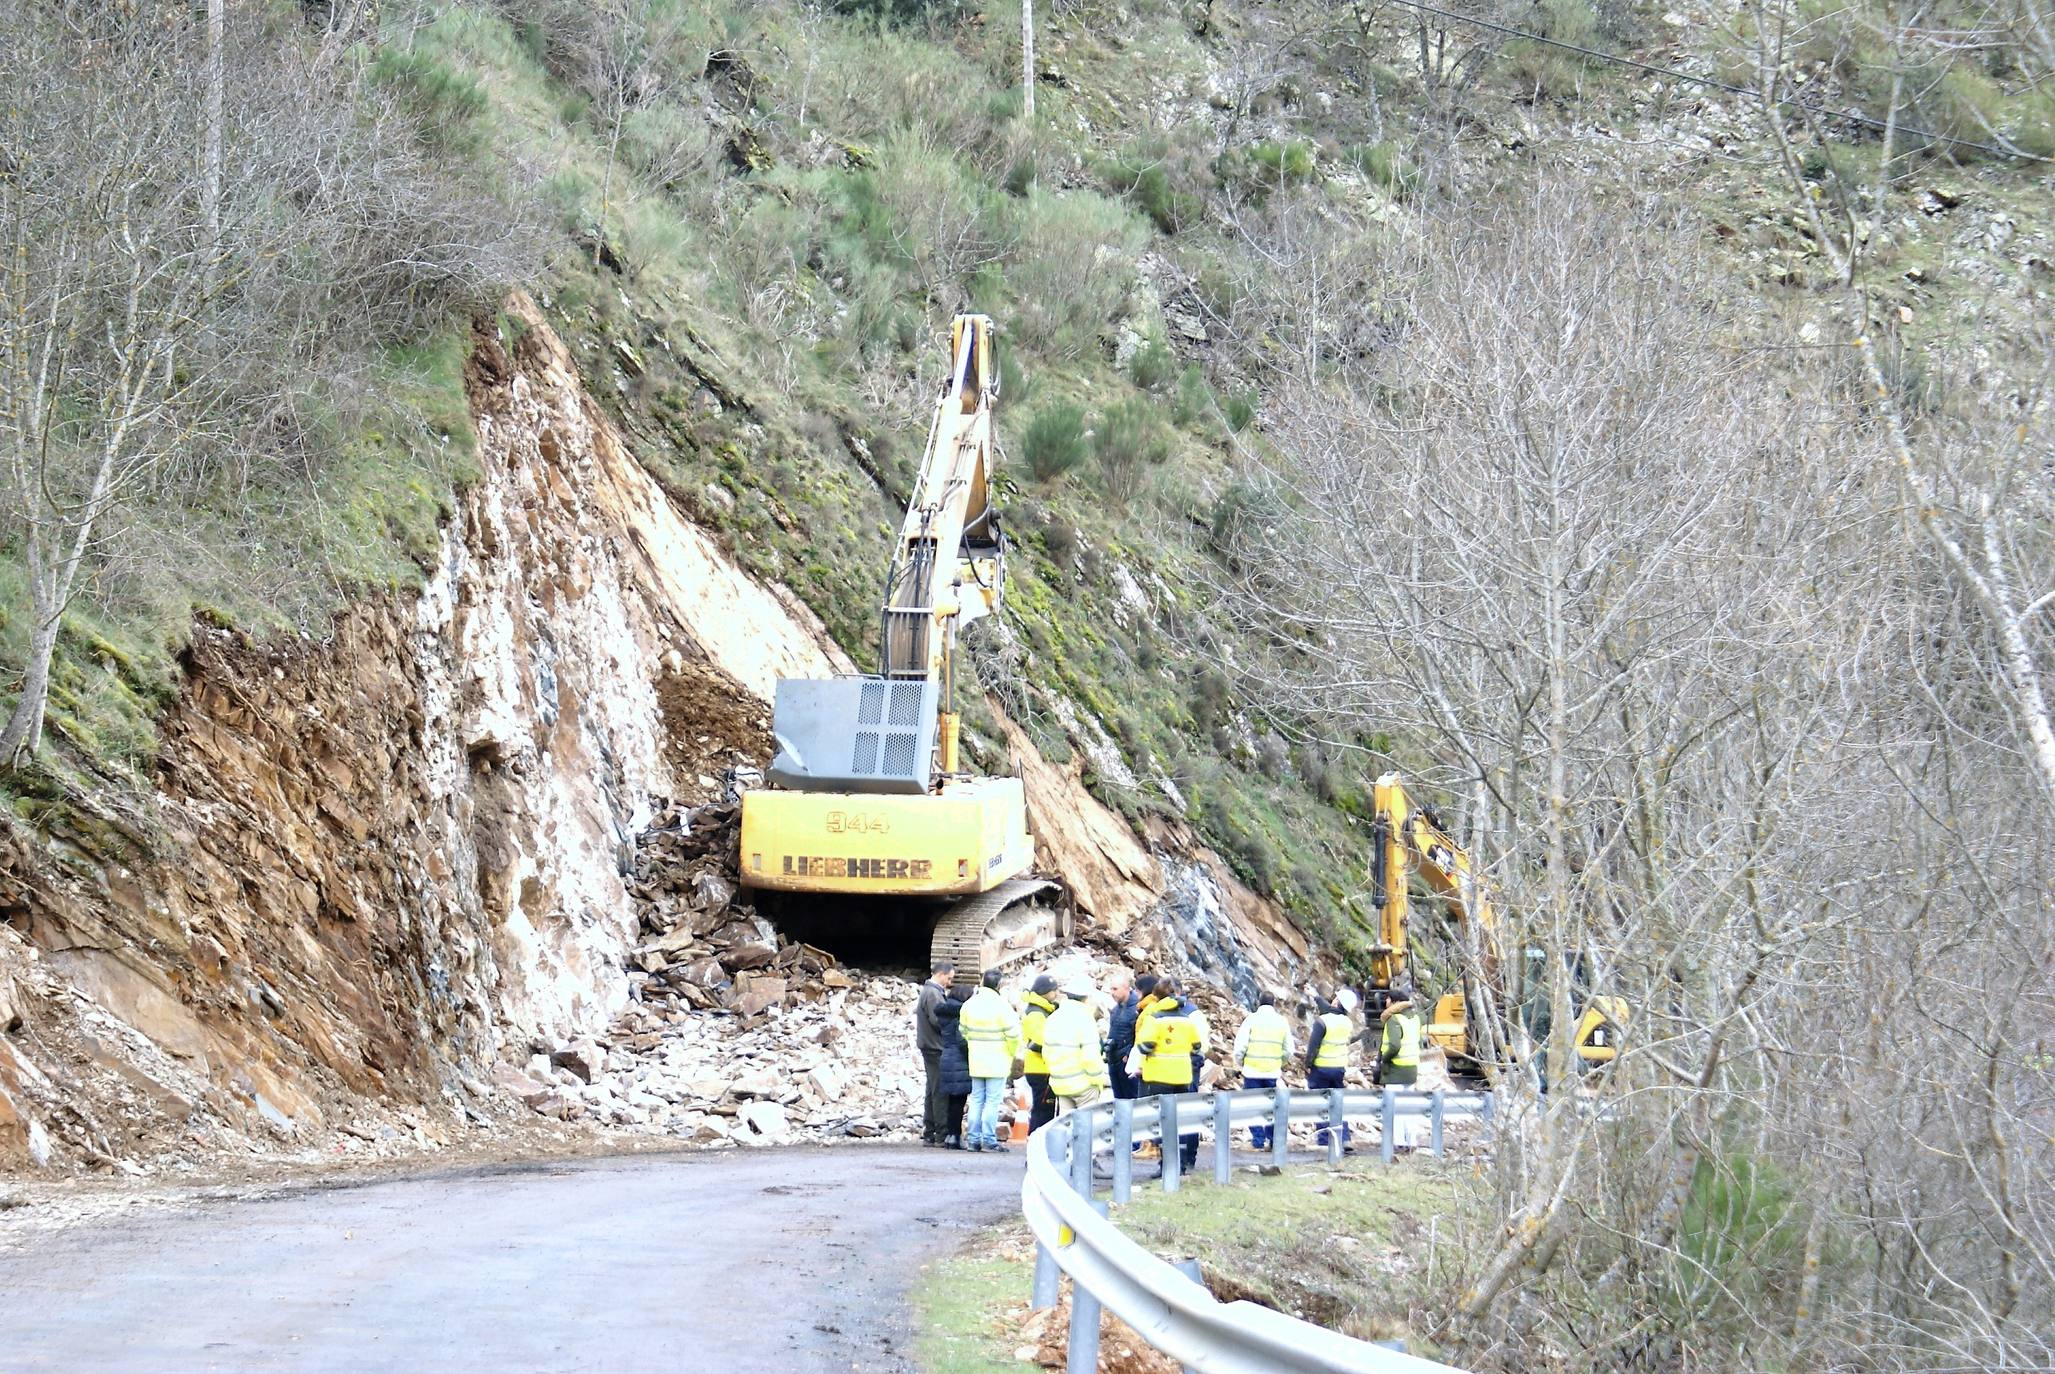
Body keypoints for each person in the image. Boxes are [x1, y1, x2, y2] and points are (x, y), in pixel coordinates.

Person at [1133, 975, 1204, 1171]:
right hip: (1182, 1076)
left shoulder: (1154, 1018)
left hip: (1158, 1075)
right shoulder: (1186, 1020)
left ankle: (1166, 1166)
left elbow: (1145, 1045)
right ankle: (1179, 1165)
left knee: (1163, 1122)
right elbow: (1197, 1046)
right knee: (1178, 1121)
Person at [959, 969, 1021, 1153]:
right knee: (992, 1101)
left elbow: (963, 1031)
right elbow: (1013, 1035)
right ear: (999, 985)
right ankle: (989, 1139)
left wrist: (975, 1045)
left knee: (977, 1099)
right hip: (997, 1060)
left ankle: (973, 1140)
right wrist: (1010, 1053)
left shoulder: (970, 1005)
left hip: (976, 1059)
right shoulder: (1002, 1006)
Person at [1232, 991, 1292, 1152]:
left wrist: (1240, 1062)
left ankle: (1258, 1141)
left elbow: (1240, 1046)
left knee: (1253, 1106)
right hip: (1272, 1072)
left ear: (1259, 1003)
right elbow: (1289, 1050)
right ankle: (1273, 1140)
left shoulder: (1251, 1020)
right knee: (1271, 1107)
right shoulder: (1282, 1021)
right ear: (1274, 1003)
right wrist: (1280, 1062)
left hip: (1252, 1071)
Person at [1043, 975, 1106, 1114]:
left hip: (1060, 1083)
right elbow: (1090, 1056)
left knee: (1065, 1127)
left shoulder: (1054, 1017)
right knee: (1084, 1128)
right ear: (1086, 997)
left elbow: (1046, 1052)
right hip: (1083, 1085)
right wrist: (1097, 1081)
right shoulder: (1085, 1018)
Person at [1306, 996, 1354, 1150]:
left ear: (1336, 1002)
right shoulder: (1347, 1023)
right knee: (1338, 1104)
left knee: (1321, 1103)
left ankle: (1324, 1139)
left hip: (1321, 1068)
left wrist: (1308, 1064)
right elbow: (1330, 1010)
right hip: (1339, 1068)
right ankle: (1344, 1137)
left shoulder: (1322, 1021)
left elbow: (1313, 1046)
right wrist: (1315, 996)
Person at [916, 959, 955, 1146]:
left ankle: (930, 1131)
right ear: (940, 974)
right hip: (935, 1047)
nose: (950, 982)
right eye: (949, 978)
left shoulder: (930, 991)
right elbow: (938, 1020)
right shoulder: (933, 994)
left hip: (929, 1045)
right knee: (939, 1091)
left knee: (932, 1090)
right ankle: (941, 1133)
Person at [1020, 973, 1061, 1133]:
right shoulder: (1037, 1013)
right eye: (1054, 990)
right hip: (1040, 1068)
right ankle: (1037, 1141)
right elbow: (1039, 1041)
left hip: (1040, 1067)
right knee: (1043, 1109)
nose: (1056, 994)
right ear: (1045, 992)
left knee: (1043, 1108)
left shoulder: (1042, 1010)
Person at [935, 984, 973, 1148]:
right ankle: (956, 1137)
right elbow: (961, 1040)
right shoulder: (959, 1014)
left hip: (946, 1057)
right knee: (959, 1101)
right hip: (959, 1059)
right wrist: (970, 1055)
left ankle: (950, 1136)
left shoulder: (944, 1013)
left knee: (951, 1101)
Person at [1106, 972, 1148, 1100]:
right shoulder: (1116, 1009)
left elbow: (1141, 1035)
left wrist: (1130, 1055)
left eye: (1115, 989)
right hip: (1114, 1059)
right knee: (1119, 1099)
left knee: (1132, 1099)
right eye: (1111, 989)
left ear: (1126, 988)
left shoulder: (1137, 1008)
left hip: (1128, 1062)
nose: (1112, 993)